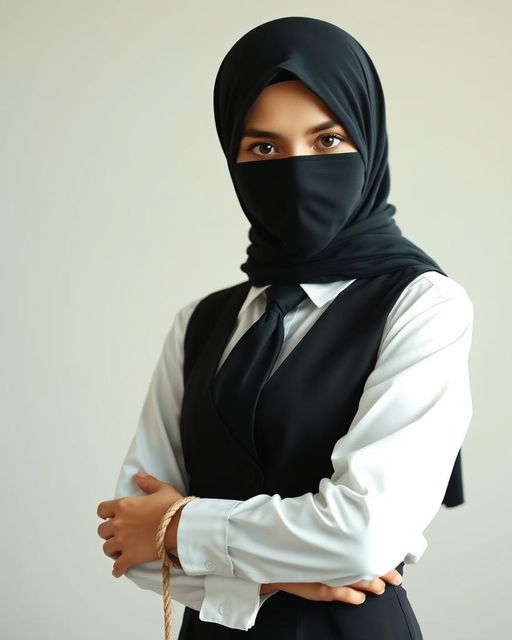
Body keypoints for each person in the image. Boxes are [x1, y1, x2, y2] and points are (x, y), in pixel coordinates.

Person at [97, 16, 474, 639]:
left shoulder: (423, 305)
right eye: (264, 149)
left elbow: (364, 535)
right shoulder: (199, 323)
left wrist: (181, 531)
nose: (296, 170)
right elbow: (127, 536)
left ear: (368, 141)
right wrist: (280, 574)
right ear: (233, 157)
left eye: (327, 141)